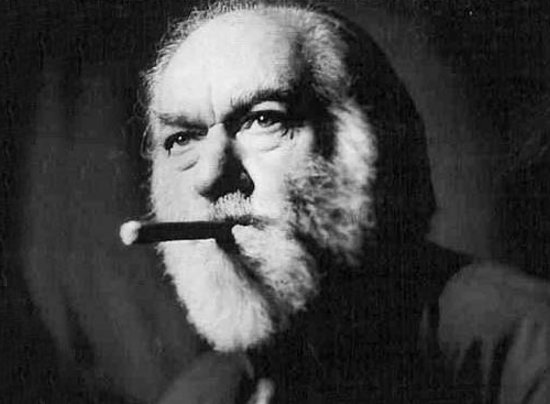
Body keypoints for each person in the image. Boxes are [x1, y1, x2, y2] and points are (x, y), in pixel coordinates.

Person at [139, 1, 550, 403]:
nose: (209, 177)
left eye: (265, 119)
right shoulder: (198, 394)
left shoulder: (524, 346)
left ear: (367, 144)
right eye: (181, 140)